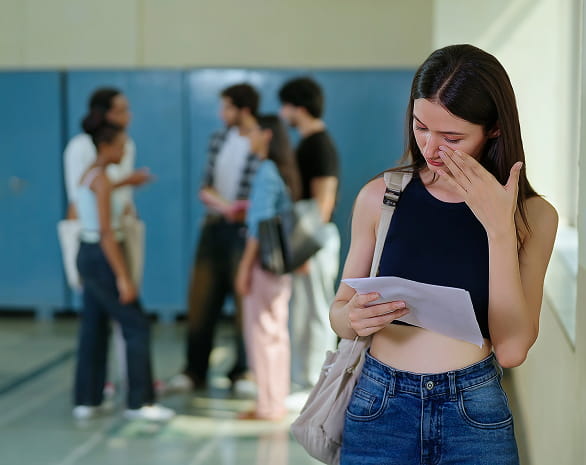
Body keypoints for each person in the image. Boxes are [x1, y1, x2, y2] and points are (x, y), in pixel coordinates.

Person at [329, 44, 558, 464]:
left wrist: (498, 230)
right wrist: (352, 317)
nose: (431, 148)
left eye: (452, 137)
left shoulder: (533, 216)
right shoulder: (382, 196)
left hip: (473, 413)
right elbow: (340, 314)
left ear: (494, 130)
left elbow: (512, 350)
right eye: (420, 127)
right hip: (379, 405)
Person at [73, 120, 174, 421]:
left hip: (86, 252)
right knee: (136, 325)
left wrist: (126, 182)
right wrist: (123, 277)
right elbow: (107, 233)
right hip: (104, 255)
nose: (123, 149)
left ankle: (87, 400)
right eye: (120, 145)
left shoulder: (90, 174)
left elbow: (98, 193)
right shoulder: (102, 179)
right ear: (105, 146)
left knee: (93, 327)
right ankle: (140, 402)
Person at [169, 84, 261, 392]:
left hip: (245, 231)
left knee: (244, 301)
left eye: (227, 108)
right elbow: (205, 185)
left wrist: (242, 212)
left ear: (243, 109)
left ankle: (243, 371)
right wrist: (224, 207)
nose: (222, 114)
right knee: (201, 300)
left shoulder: (261, 140)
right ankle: (194, 370)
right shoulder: (218, 139)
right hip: (214, 225)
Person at [235, 114, 301, 420]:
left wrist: (244, 267)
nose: (247, 138)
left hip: (264, 265)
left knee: (261, 333)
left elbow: (259, 224)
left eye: (251, 132)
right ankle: (275, 400)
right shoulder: (282, 171)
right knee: (276, 333)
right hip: (280, 269)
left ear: (266, 135)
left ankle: (267, 404)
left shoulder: (266, 171)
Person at [279, 77, 341, 390]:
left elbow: (324, 201)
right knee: (302, 311)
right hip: (308, 240)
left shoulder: (319, 144)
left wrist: (304, 247)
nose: (282, 113)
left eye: (285, 105)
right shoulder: (307, 142)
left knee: (317, 311)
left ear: (298, 108)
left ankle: (316, 384)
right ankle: (302, 380)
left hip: (314, 240)